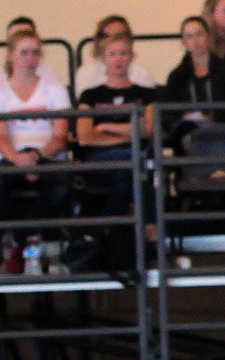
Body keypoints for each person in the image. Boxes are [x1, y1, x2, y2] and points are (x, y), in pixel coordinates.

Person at [75, 34, 163, 224]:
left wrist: (106, 127)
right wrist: (131, 135)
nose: (118, 59)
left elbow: (148, 129)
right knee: (136, 162)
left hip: (134, 159)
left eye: (123, 53)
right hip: (101, 160)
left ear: (131, 57)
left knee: (127, 173)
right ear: (103, 58)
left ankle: (106, 232)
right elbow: (85, 137)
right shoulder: (90, 95)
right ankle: (149, 230)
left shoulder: (147, 93)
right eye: (112, 54)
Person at [0, 28, 72, 225]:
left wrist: (36, 157)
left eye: (35, 52)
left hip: (47, 156)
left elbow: (60, 135)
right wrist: (17, 159)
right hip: (12, 158)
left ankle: (20, 235)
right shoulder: (1, 91)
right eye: (24, 52)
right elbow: (1, 135)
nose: (30, 58)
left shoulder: (54, 89)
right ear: (11, 55)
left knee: (61, 189)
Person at [161, 16, 225, 155]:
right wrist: (183, 117)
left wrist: (214, 118)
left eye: (199, 34)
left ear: (208, 36)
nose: (195, 41)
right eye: (189, 36)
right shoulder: (177, 76)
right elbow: (167, 113)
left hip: (222, 131)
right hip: (188, 133)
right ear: (184, 42)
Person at [75, 14, 157, 91]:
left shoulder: (142, 73)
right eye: (108, 36)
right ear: (98, 41)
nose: (115, 41)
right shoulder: (85, 73)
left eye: (120, 36)